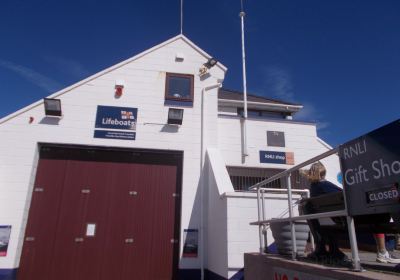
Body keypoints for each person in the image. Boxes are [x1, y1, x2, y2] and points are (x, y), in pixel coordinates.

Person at [303, 162, 400, 264]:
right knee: (380, 213)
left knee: (376, 213)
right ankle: (382, 252)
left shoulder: (314, 189)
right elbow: (345, 195)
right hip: (347, 221)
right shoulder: (325, 185)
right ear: (323, 173)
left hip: (334, 221)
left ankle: (382, 252)